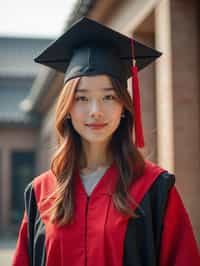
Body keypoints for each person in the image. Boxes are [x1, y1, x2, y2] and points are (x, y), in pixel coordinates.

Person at [12, 17, 200, 266]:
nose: (95, 110)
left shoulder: (154, 188)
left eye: (109, 97)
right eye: (81, 98)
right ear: (67, 109)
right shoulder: (41, 192)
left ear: (124, 106)